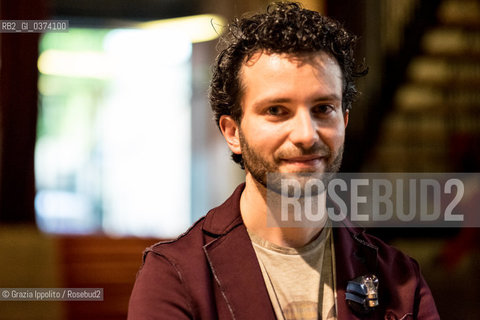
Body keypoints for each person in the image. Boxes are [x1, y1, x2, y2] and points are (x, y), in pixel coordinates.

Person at [128, 2, 439, 319]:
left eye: (322, 109)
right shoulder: (176, 276)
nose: (306, 135)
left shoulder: (399, 279)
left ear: (344, 122)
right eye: (276, 110)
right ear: (232, 132)